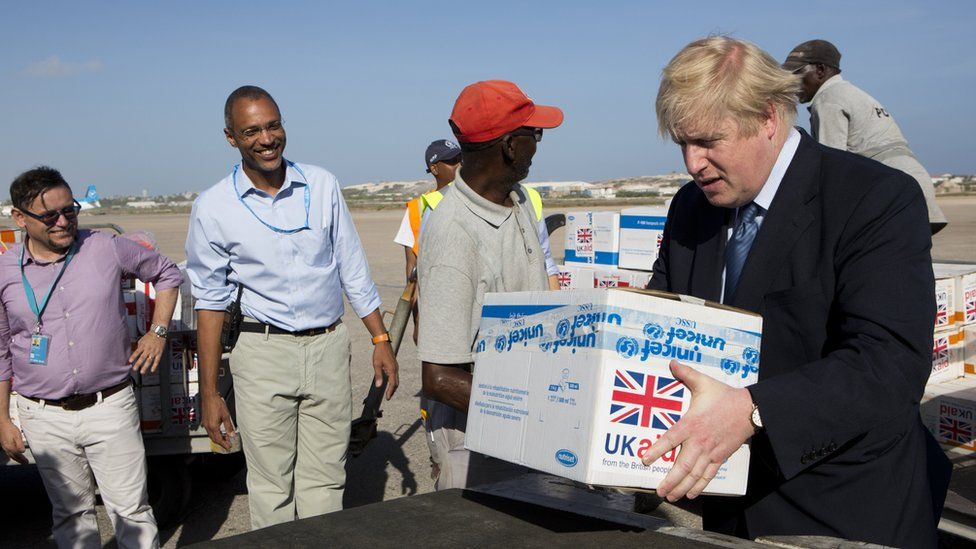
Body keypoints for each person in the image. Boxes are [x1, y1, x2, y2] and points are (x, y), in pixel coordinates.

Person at [641, 37, 950, 547]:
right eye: (682, 144)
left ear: (768, 118)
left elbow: (889, 363)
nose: (693, 164)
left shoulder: (873, 198)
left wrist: (755, 409)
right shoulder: (690, 207)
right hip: (715, 504)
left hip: (839, 506)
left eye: (709, 141)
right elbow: (668, 311)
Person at [185, 85, 399, 530]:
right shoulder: (214, 207)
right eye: (251, 131)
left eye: (273, 125)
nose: (266, 139)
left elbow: (352, 266)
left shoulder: (321, 184)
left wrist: (380, 338)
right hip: (262, 353)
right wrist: (209, 394)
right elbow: (209, 303)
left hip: (328, 346)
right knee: (271, 485)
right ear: (231, 138)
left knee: (326, 480)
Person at [0, 166, 181, 548]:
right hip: (42, 415)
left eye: (71, 210)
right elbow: (1, 351)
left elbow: (167, 274)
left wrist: (158, 332)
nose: (64, 221)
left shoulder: (105, 247)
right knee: (70, 516)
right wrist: (1, 418)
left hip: (110, 406)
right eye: (50, 216)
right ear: (19, 217)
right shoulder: (5, 271)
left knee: (132, 510)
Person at [418, 80, 562, 489]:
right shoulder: (454, 233)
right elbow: (439, 377)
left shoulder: (514, 201)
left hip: (522, 425)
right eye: (534, 135)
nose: (538, 144)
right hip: (477, 438)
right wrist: (532, 405)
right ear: (510, 147)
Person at [783, 39, 947, 234]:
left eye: (797, 74)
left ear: (820, 70)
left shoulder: (828, 100)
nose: (791, 83)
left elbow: (829, 167)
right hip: (915, 180)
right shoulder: (853, 94)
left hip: (888, 189)